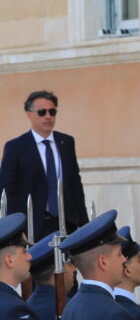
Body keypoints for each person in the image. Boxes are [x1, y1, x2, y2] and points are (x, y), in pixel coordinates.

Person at [0, 90, 89, 241]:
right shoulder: (16, 147)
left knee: (66, 264)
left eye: (52, 111)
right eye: (42, 112)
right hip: (32, 226)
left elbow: (75, 184)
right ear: (29, 114)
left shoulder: (66, 142)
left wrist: (85, 224)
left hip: (66, 223)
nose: (48, 116)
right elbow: (7, 189)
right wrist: (15, 227)